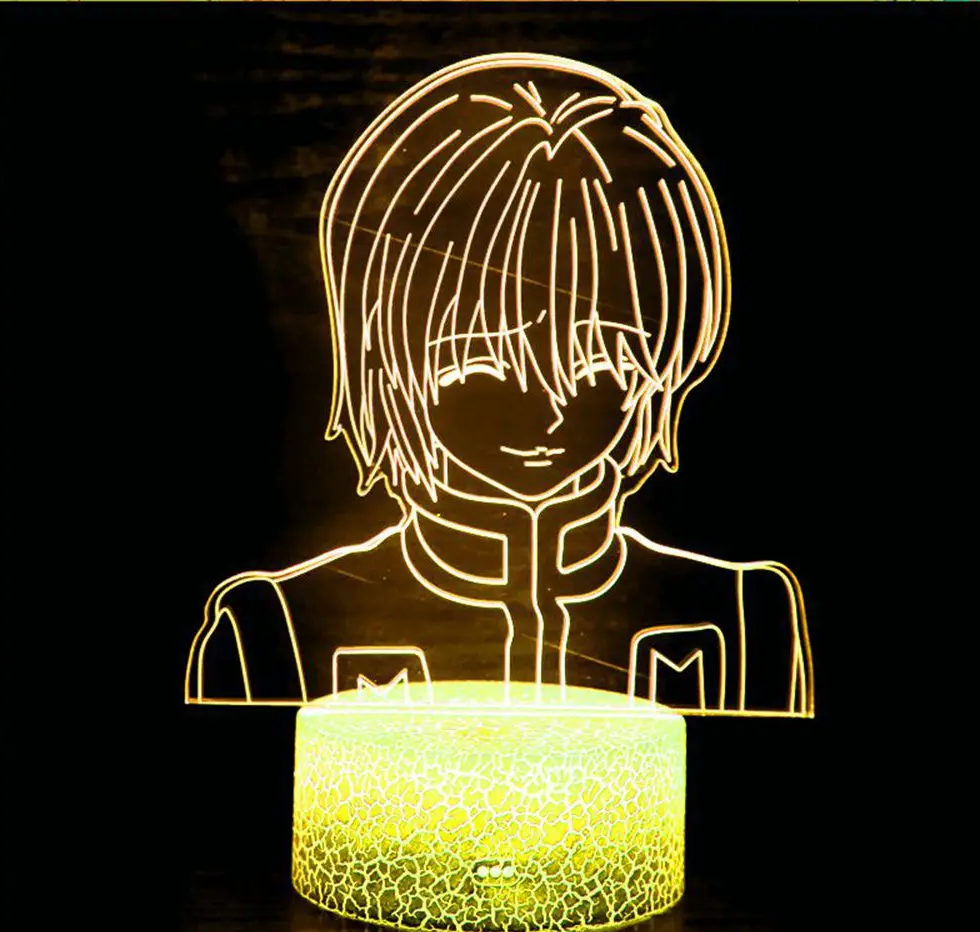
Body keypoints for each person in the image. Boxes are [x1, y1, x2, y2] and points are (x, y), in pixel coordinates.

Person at [185, 54, 813, 716]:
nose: (548, 413)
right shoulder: (274, 627)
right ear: (385, 349)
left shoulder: (742, 618)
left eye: (600, 364)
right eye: (480, 367)